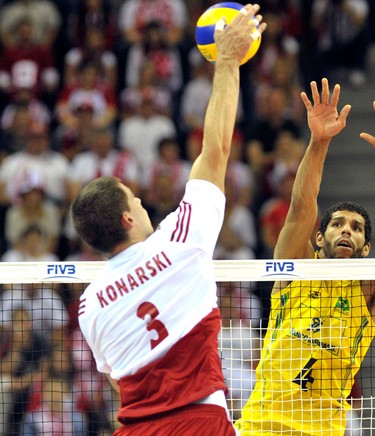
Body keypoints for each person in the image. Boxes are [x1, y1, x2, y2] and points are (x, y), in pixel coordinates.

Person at [69, 5, 266, 435]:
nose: (141, 200)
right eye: (134, 199)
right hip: (201, 420)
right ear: (126, 218)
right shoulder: (179, 240)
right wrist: (228, 61)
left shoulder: (89, 305)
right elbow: (214, 151)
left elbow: (118, 381)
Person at [236, 78, 375, 434]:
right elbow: (301, 208)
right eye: (338, 224)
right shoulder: (293, 270)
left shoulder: (369, 293)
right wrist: (318, 142)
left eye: (357, 228)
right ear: (319, 237)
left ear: (365, 249)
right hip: (260, 426)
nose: (347, 230)